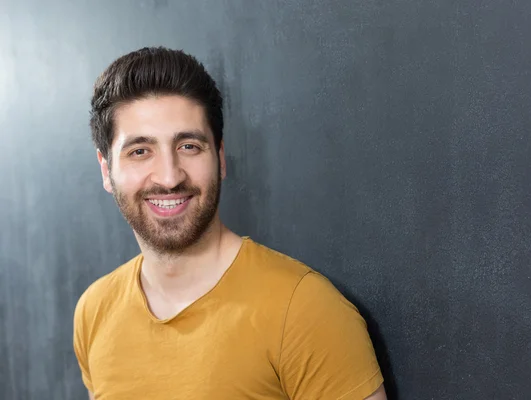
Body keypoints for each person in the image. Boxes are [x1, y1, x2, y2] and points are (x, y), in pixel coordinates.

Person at [73, 46, 386, 400]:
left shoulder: (305, 310)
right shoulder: (94, 311)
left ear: (219, 158)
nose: (169, 176)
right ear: (106, 170)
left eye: (189, 146)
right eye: (140, 151)